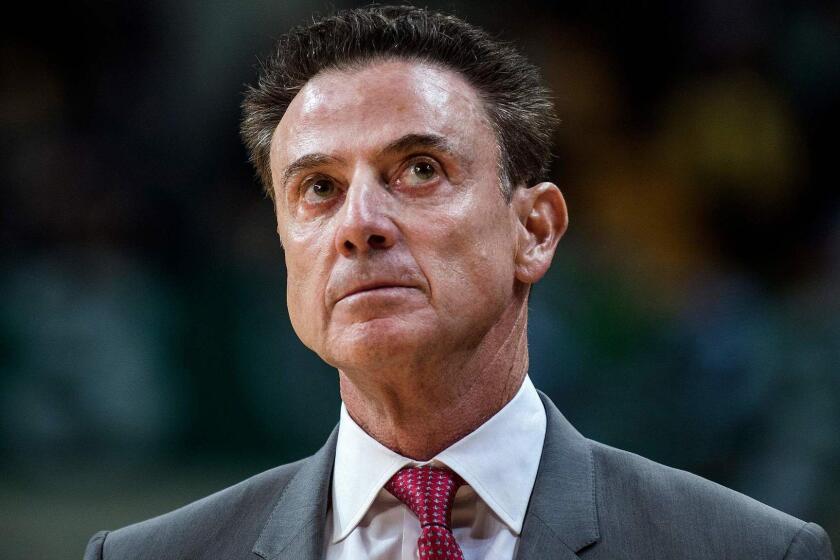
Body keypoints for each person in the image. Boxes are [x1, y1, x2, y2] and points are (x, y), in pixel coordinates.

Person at [84, 5, 835, 559]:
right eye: (317, 187)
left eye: (419, 170)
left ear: (534, 230)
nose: (359, 222)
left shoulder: (751, 551)